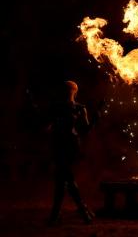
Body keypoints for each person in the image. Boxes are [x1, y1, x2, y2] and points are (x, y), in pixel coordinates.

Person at [47, 80, 94, 225]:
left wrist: (95, 118)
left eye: (69, 89)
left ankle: (74, 211)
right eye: (65, 89)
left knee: (64, 177)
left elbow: (85, 130)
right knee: (62, 179)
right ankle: (80, 211)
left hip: (70, 146)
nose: (67, 92)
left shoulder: (80, 108)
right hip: (59, 145)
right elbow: (48, 126)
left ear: (74, 91)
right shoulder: (56, 107)